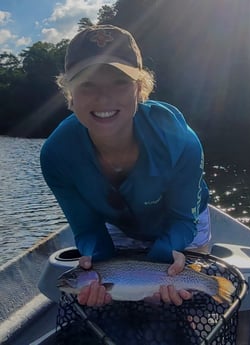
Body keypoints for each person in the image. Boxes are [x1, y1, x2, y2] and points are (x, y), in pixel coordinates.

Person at [40, 25, 210, 309]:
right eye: (87, 84)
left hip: (184, 225)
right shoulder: (56, 155)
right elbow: (88, 229)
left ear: (140, 88)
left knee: (185, 304)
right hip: (120, 224)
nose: (104, 98)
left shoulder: (180, 140)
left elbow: (183, 219)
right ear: (70, 94)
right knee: (114, 308)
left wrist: (162, 266)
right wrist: (97, 264)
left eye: (119, 81)